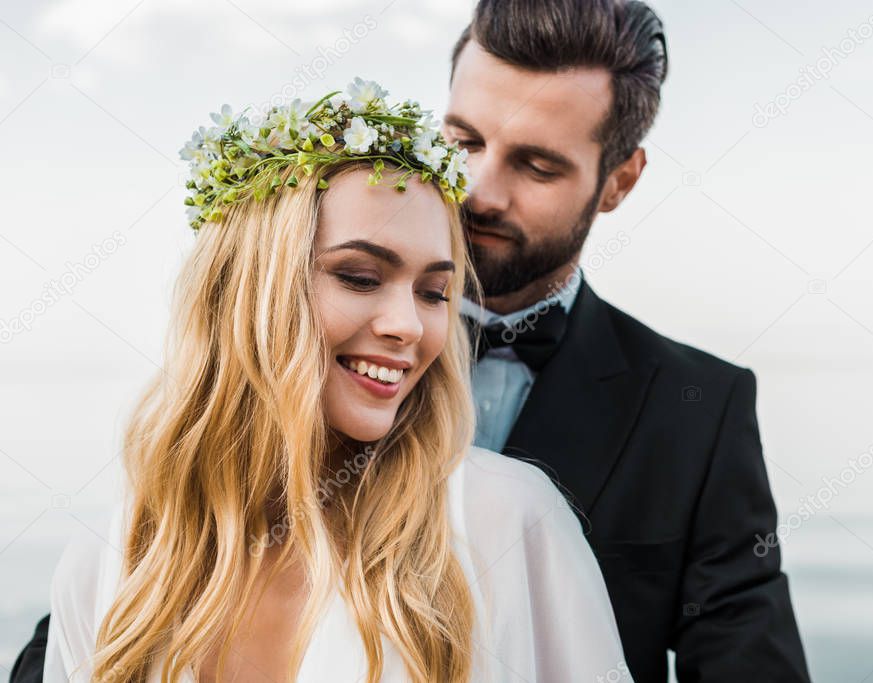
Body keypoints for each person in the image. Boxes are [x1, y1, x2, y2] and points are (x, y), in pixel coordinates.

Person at [32, 80, 629, 682]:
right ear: (248, 291)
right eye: (362, 277)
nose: (409, 327)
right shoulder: (110, 566)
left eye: (433, 293)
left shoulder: (506, 520)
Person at [446, 1, 812, 681]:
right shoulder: (312, 352)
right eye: (464, 141)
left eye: (535, 165)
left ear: (619, 181)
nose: (479, 192)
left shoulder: (700, 408)